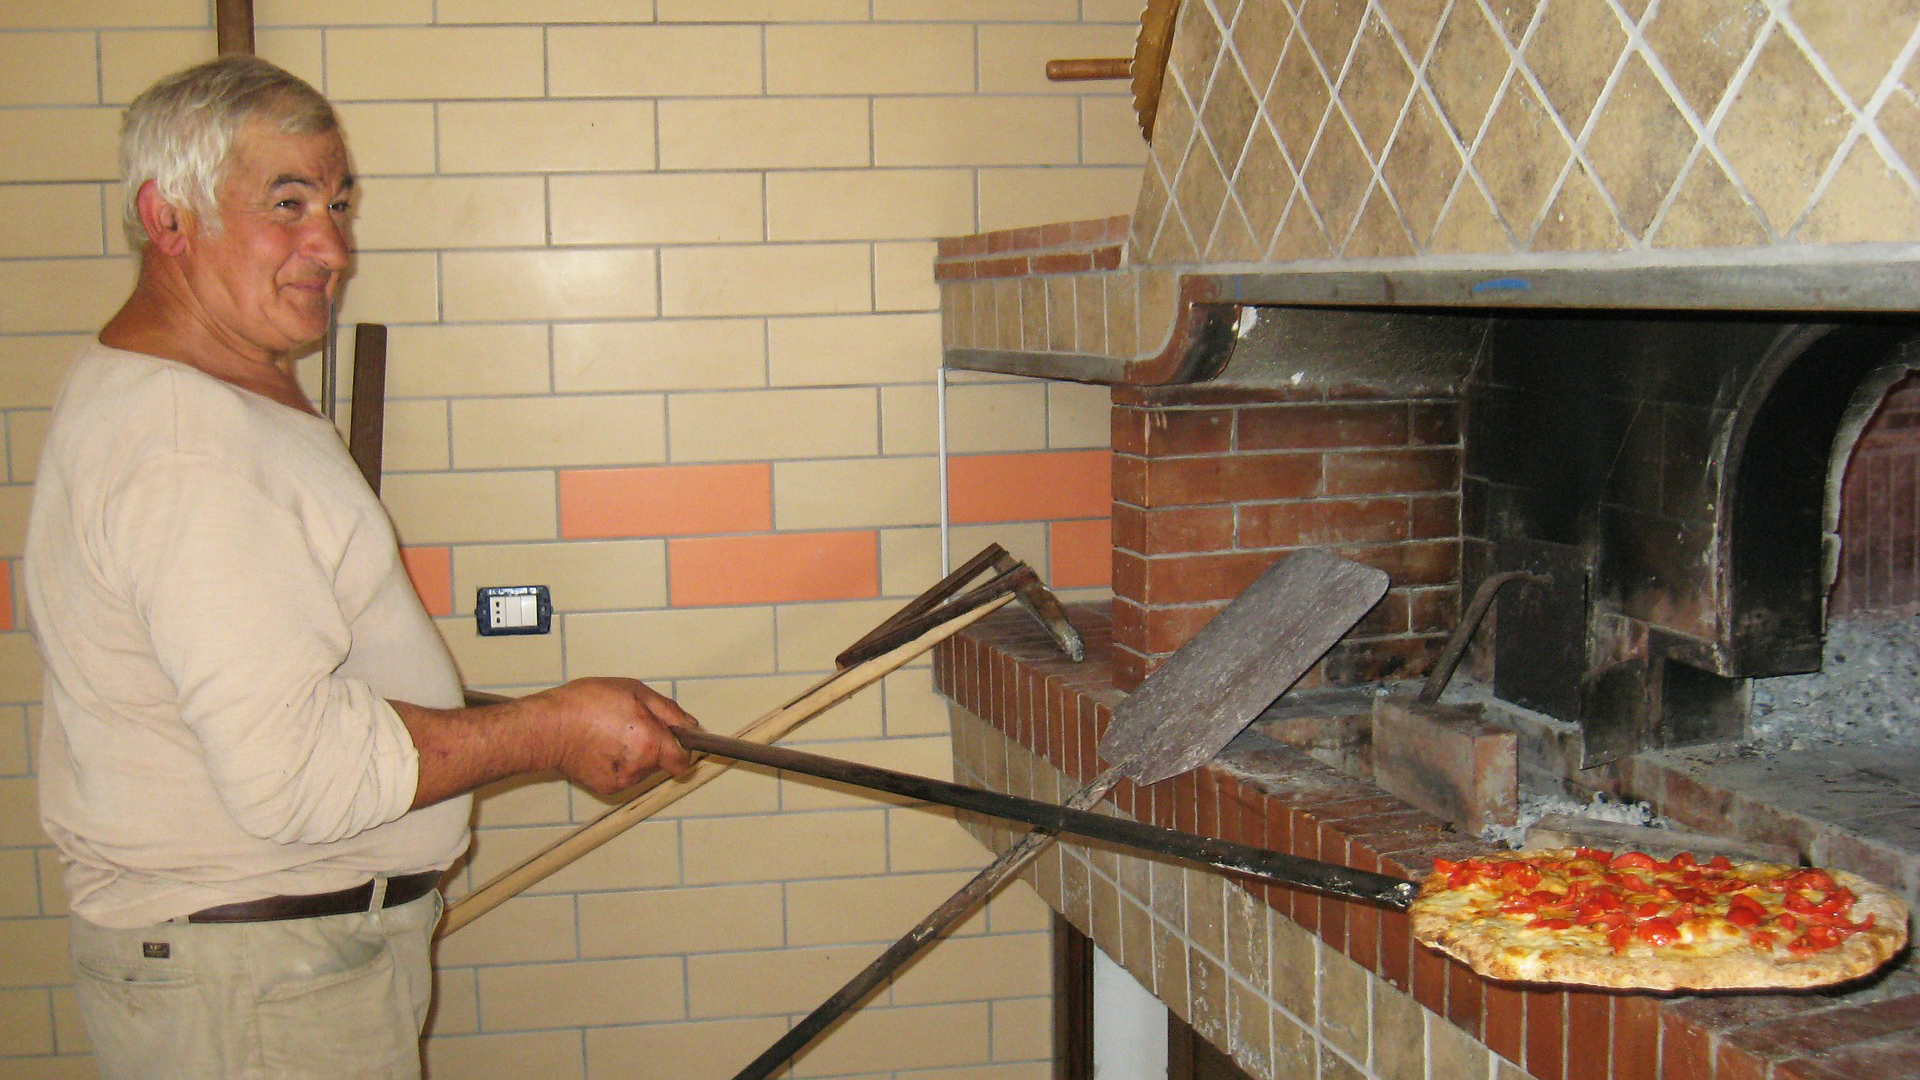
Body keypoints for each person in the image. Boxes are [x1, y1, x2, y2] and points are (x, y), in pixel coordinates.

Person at [21, 54, 699, 1079]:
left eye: (339, 204)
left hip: (263, 972)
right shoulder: (189, 444)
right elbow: (294, 771)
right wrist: (552, 729)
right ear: (168, 218)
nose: (331, 248)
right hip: (257, 990)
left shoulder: (197, 393)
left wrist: (550, 716)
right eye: (286, 203)